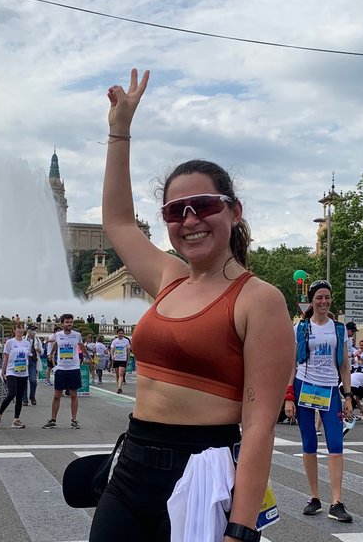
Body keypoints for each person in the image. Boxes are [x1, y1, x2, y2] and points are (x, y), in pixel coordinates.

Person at [92, 68, 294, 542]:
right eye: (174, 211)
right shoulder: (169, 277)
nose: (189, 220)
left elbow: (259, 427)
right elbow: (118, 222)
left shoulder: (259, 300)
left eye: (203, 205)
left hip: (202, 473)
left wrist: (240, 528)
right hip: (131, 467)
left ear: (234, 211)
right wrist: (119, 131)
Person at [285, 280, 353, 522]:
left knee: (335, 443)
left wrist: (348, 395)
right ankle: (314, 497)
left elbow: (344, 365)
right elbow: (291, 363)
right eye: (319, 298)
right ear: (312, 301)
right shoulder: (301, 328)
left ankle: (336, 501)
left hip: (330, 389)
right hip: (304, 386)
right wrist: (289, 396)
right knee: (309, 443)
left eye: (327, 297)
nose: (324, 302)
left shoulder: (339, 329)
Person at [43, 314, 86, 429]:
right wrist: (51, 354)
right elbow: (55, 344)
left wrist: (89, 358)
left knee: (73, 395)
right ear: (62, 323)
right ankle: (53, 420)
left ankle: (74, 420)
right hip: (61, 369)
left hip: (73, 368)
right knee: (57, 396)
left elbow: (82, 346)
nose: (69, 324)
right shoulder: (58, 335)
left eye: (71, 322)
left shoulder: (77, 335)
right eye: (67, 322)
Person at [0, 321, 29, 429]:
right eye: (18, 328)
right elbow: (5, 358)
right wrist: (3, 371)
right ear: (14, 330)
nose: (20, 330)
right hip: (11, 371)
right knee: (11, 393)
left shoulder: (27, 343)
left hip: (23, 372)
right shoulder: (10, 342)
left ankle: (16, 419)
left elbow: (28, 357)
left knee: (19, 396)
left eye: (22, 328)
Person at [25, 323, 43, 405]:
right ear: (28, 330)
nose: (34, 331)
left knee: (33, 380)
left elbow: (42, 351)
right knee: (23, 380)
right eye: (32, 330)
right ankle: (24, 399)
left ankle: (32, 396)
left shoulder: (38, 340)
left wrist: (39, 350)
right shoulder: (23, 339)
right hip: (25, 361)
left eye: (35, 330)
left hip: (33, 360)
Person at [110, 328, 131, 394]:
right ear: (117, 334)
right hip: (116, 359)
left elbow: (128, 351)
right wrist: (112, 356)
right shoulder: (114, 341)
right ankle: (118, 386)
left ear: (123, 334)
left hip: (123, 359)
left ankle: (120, 387)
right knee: (117, 374)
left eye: (122, 333)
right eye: (119, 333)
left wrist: (128, 359)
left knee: (121, 373)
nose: (120, 334)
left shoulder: (126, 341)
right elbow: (112, 349)